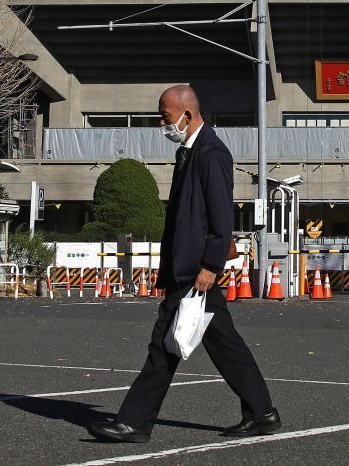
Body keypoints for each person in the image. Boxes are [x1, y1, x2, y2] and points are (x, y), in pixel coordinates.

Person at [91, 85, 279, 443]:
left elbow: (220, 218)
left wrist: (210, 266)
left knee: (164, 344)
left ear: (187, 115)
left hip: (196, 272)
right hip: (188, 269)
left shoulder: (210, 153)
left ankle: (134, 421)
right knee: (222, 346)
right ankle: (262, 412)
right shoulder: (190, 152)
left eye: (165, 116)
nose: (163, 124)